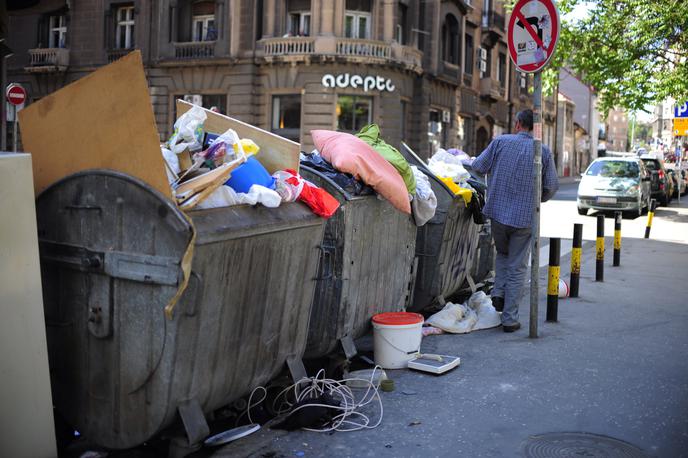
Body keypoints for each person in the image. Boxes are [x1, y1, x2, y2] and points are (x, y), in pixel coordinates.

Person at [471, 110, 559, 332]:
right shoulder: (544, 151)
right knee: (518, 266)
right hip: (524, 218)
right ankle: (509, 319)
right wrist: (537, 201)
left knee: (502, 254)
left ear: (518, 123)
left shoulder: (500, 142)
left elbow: (478, 167)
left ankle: (499, 292)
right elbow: (551, 186)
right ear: (536, 127)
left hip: (498, 213)